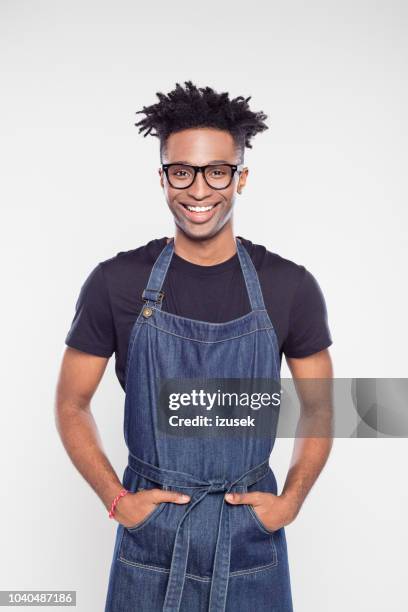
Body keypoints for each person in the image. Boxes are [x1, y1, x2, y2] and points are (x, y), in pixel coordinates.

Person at [55, 80, 334, 612]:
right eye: (181, 172)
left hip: (248, 539)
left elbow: (321, 407)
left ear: (241, 177)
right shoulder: (116, 282)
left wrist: (289, 503)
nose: (199, 190)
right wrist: (119, 502)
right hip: (152, 540)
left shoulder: (288, 286)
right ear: (163, 177)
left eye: (216, 171)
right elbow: (71, 403)